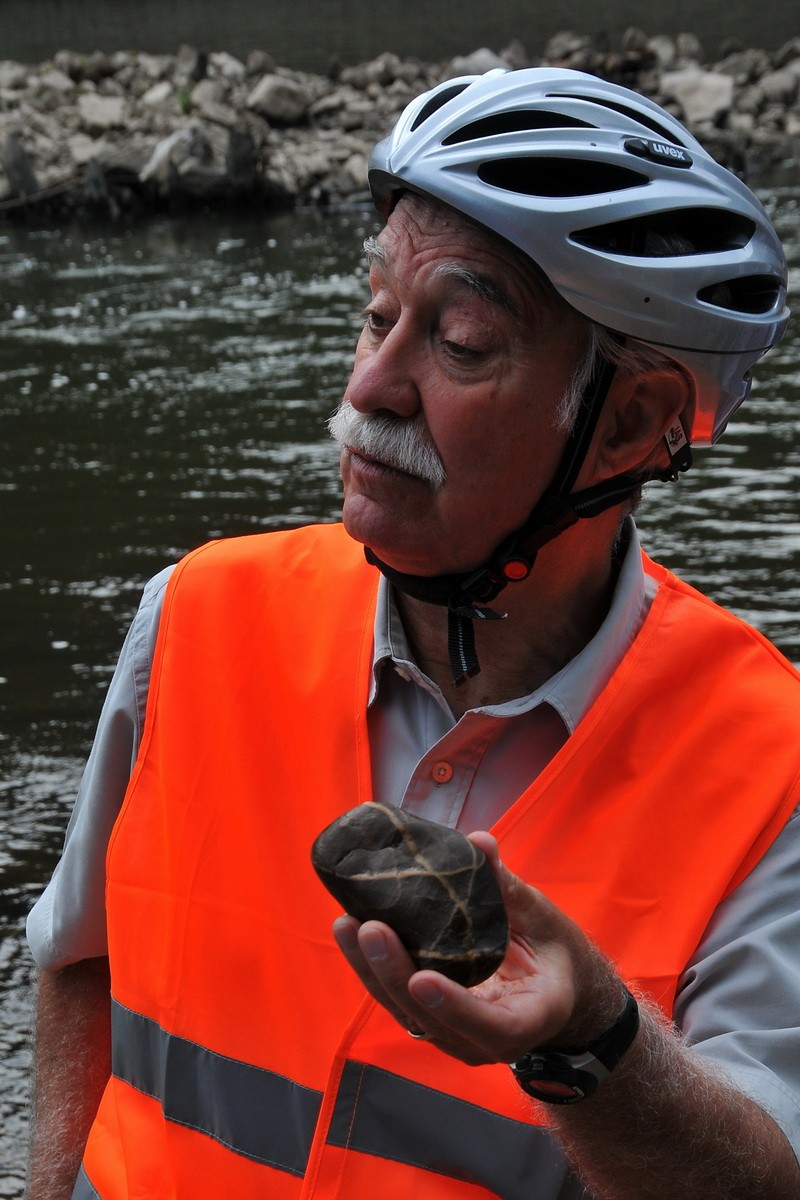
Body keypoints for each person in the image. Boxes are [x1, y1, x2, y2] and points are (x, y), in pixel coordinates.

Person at [26, 67, 800, 1200]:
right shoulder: (193, 613)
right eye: (378, 312)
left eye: (462, 341)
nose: (369, 386)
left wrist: (593, 1044)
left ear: (629, 424)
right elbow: (77, 964)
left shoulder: (769, 769)